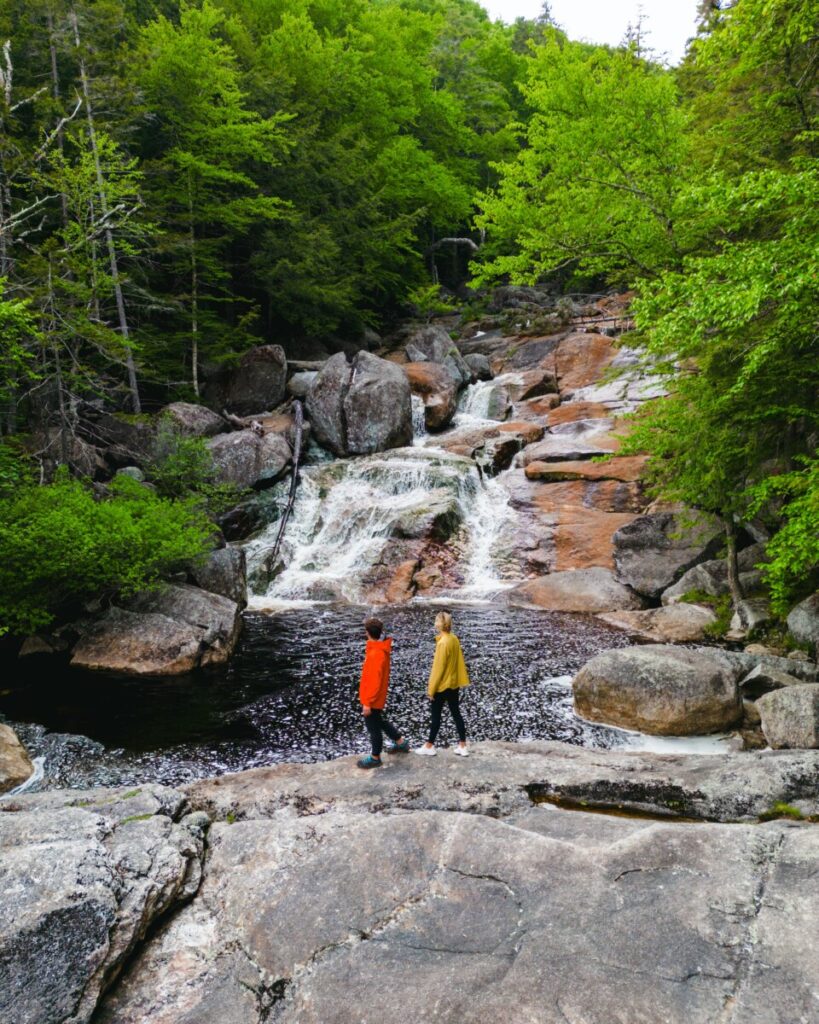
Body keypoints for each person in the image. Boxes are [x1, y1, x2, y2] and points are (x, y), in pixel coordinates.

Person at [415, 611, 470, 757]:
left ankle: (429, 746)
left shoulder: (442, 643)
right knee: (456, 714)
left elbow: (438, 669)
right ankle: (463, 746)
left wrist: (431, 690)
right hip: (453, 685)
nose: (435, 623)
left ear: (440, 624)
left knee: (436, 717)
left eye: (436, 621)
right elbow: (458, 662)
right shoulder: (454, 639)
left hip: (441, 686)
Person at [357, 616, 409, 769]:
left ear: (367, 632)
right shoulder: (380, 649)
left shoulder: (375, 654)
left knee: (374, 728)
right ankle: (400, 742)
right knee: (379, 721)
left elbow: (374, 681)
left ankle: (375, 758)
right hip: (377, 697)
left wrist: (367, 703)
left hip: (372, 698)